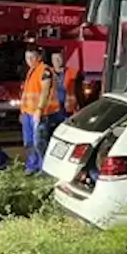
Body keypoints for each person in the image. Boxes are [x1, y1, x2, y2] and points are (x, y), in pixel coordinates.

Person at [19, 47, 55, 175]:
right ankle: (32, 165)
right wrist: (22, 111)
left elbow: (45, 91)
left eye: (32, 57)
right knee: (28, 141)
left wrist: (39, 109)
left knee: (39, 141)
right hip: (27, 113)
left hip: (39, 113)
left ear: (39, 57)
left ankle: (45, 167)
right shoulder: (31, 71)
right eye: (27, 57)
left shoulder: (44, 70)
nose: (29, 60)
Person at [48, 51, 83, 130]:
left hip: (68, 111)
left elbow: (79, 92)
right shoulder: (47, 73)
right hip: (52, 111)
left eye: (59, 58)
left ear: (64, 59)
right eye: (54, 59)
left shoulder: (73, 73)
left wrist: (80, 108)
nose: (57, 61)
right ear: (51, 61)